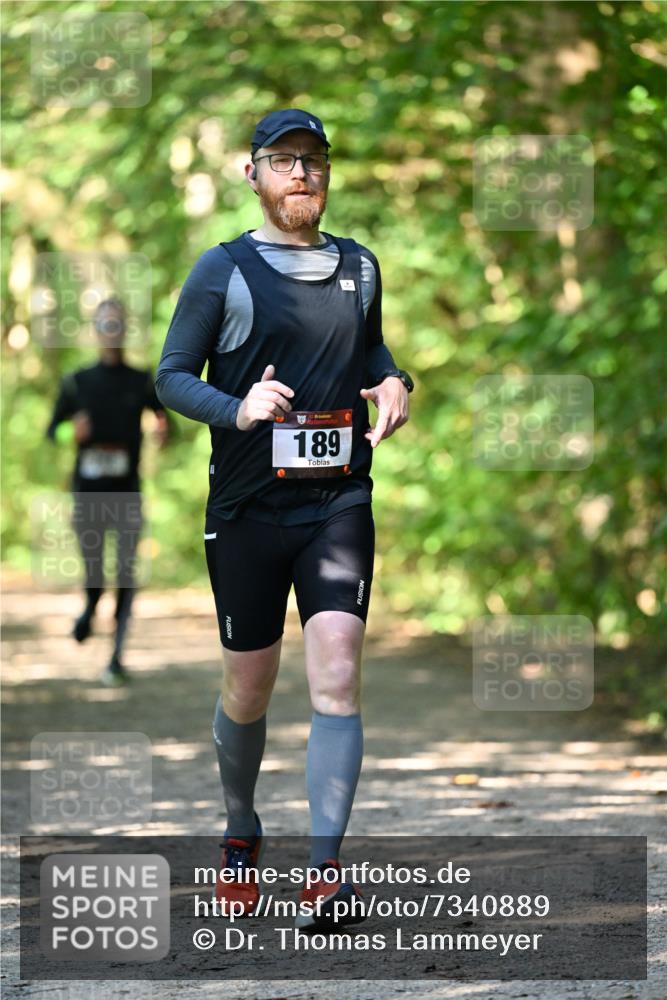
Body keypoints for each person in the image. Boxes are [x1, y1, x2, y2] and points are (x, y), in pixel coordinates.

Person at [156, 108, 414, 926]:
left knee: (337, 674)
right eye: (282, 160)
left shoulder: (360, 267)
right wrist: (238, 409)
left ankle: (326, 868)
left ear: (328, 172)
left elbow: (368, 349)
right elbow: (169, 377)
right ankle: (240, 832)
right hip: (246, 509)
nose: (300, 173)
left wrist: (396, 378)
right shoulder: (221, 270)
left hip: (338, 499)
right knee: (248, 690)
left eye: (314, 160)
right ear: (252, 174)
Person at [46, 297, 169, 686]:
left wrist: (162, 431)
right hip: (88, 493)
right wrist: (71, 432)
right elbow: (53, 430)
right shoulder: (77, 381)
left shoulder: (140, 380)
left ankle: (116, 656)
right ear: (96, 330)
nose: (111, 330)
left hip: (128, 491)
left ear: (125, 330)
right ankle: (90, 606)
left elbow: (166, 422)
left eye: (118, 323)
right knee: (96, 570)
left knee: (127, 573)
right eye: (105, 323)